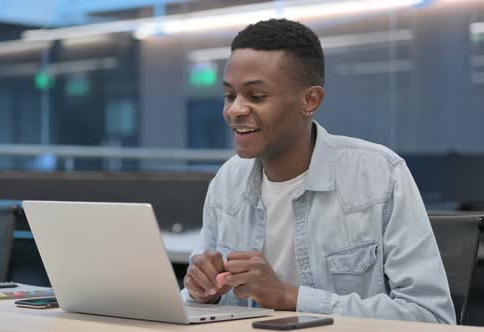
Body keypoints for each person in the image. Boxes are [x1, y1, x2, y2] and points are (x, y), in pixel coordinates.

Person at [180, 18, 455, 324]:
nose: (234, 110)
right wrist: (202, 293)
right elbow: (201, 302)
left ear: (310, 100)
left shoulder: (379, 176)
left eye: (256, 96)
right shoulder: (227, 181)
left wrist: (290, 297)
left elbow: (432, 318)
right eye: (230, 95)